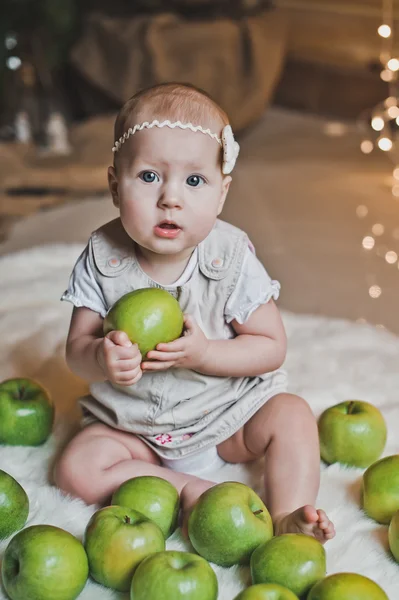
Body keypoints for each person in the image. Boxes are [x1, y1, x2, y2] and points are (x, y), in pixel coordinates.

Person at [54, 82, 335, 543]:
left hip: (226, 420)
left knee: (293, 415)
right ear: (113, 185)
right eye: (148, 177)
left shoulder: (230, 256)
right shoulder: (103, 255)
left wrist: (205, 354)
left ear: (221, 195)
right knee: (74, 468)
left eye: (193, 180)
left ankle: (287, 514)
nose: (170, 197)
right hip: (135, 430)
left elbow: (271, 347)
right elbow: (75, 349)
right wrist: (100, 357)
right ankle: (192, 489)